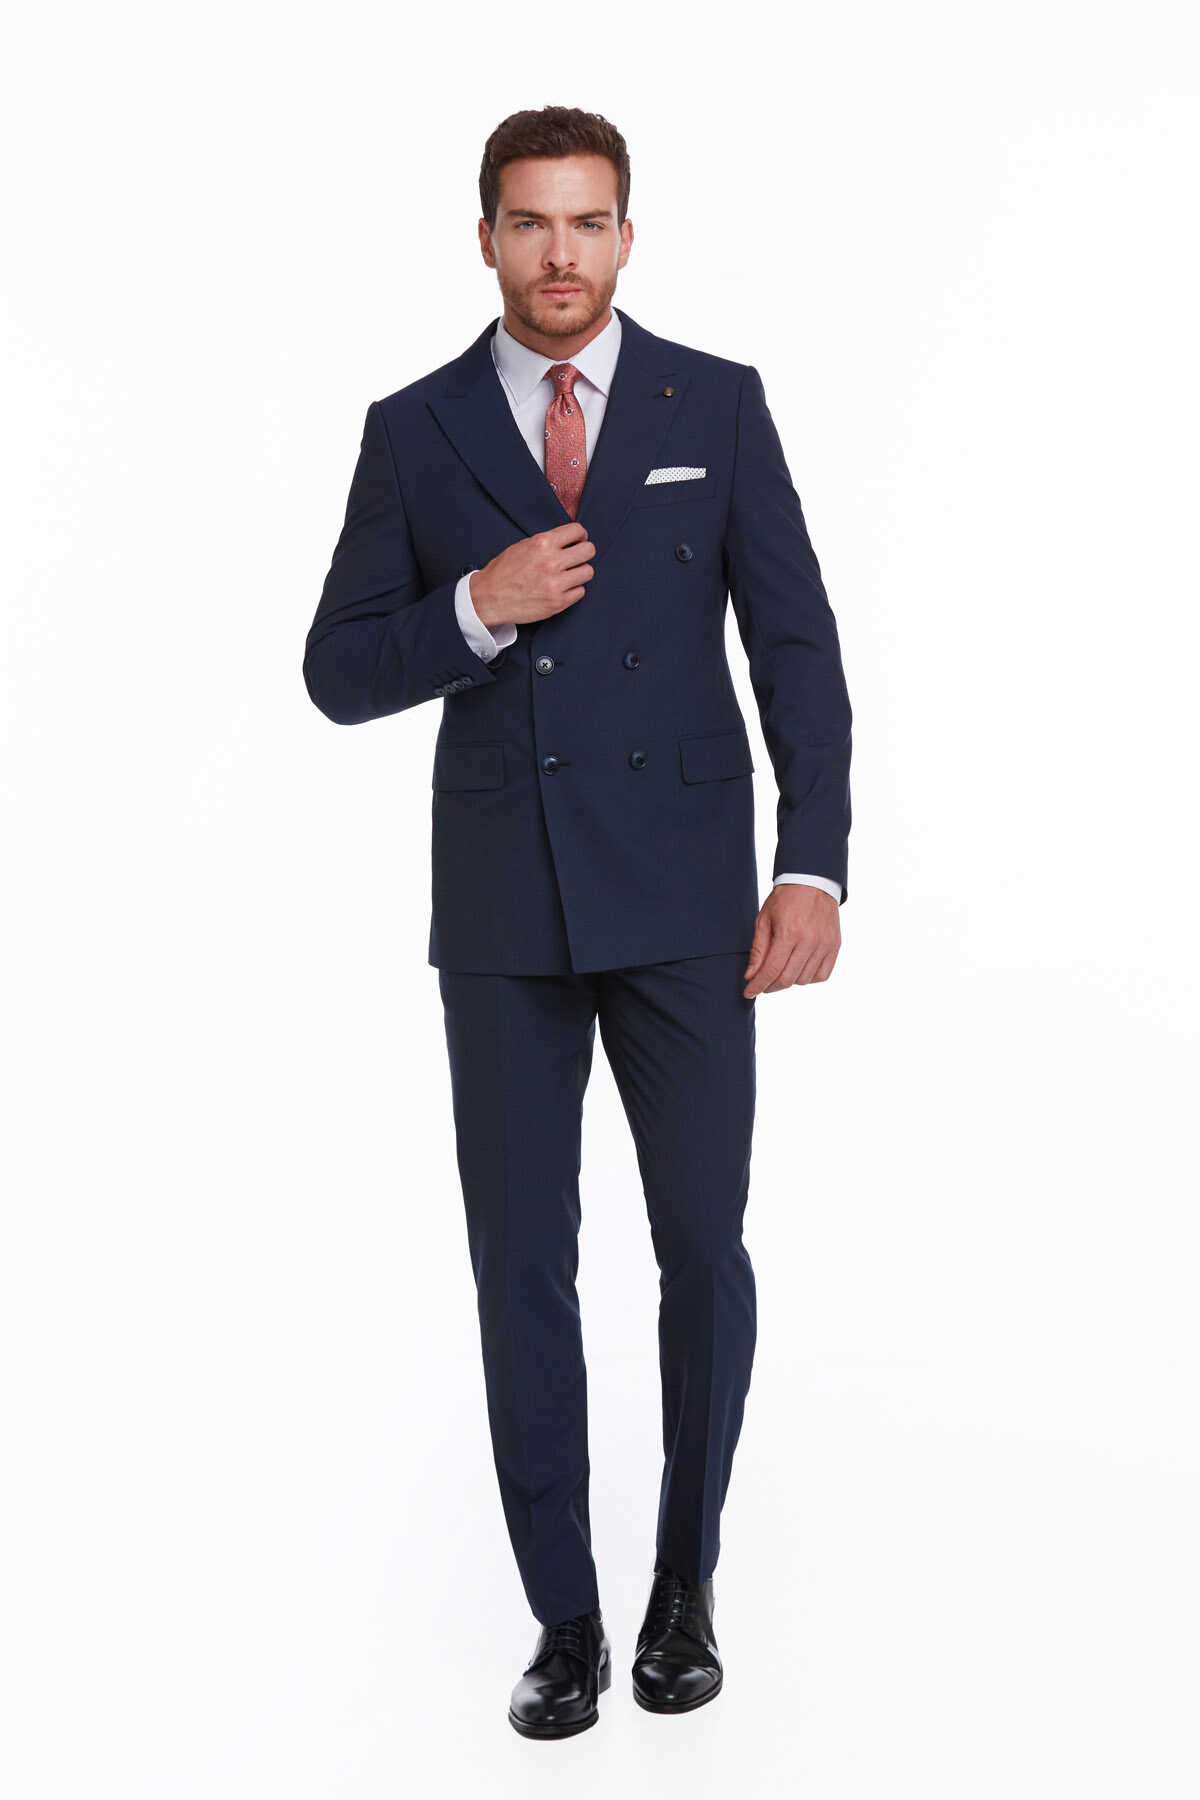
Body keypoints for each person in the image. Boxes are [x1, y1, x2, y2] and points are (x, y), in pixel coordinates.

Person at [303, 103, 852, 1740]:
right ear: (486, 236)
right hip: (504, 912)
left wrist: (812, 864)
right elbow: (337, 670)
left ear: (627, 234)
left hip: (687, 901)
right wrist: (477, 609)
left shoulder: (715, 402)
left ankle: (685, 1587)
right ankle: (566, 1616)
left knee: (702, 1250)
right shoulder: (414, 429)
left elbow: (798, 648)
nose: (561, 254)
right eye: (531, 222)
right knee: (521, 1267)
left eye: (588, 221)